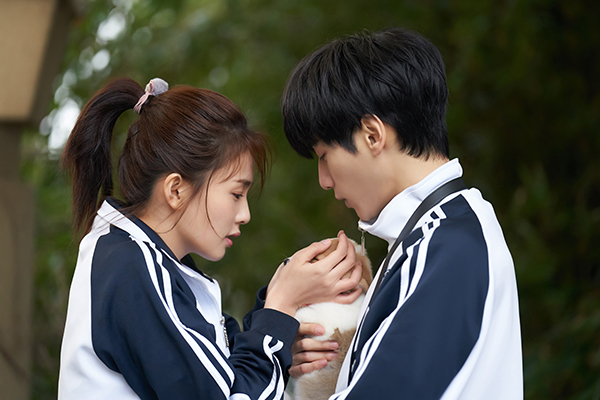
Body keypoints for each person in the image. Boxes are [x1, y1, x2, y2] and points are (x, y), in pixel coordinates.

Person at [58, 77, 363, 400]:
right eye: (236, 194)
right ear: (176, 190)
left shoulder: (144, 263)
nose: (245, 214)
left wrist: (280, 330)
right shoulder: (132, 269)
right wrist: (281, 307)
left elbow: (222, 371)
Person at [281, 28, 523, 399]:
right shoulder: (436, 236)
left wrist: (275, 312)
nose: (324, 181)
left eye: (324, 156)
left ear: (372, 134)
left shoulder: (446, 247)